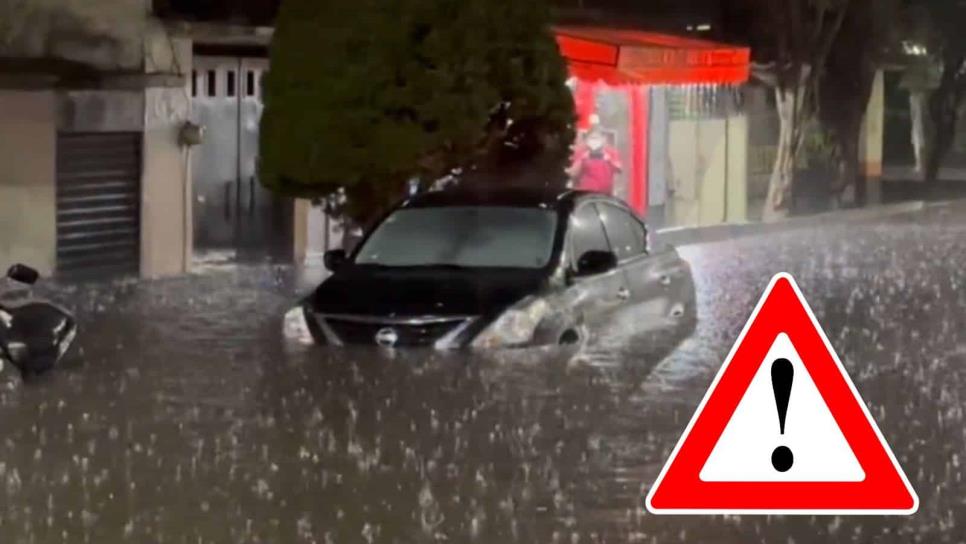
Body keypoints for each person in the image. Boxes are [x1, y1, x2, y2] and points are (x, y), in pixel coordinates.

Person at [569, 128, 622, 195]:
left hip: (606, 192)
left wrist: (609, 159)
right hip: (586, 191)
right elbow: (573, 174)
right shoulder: (581, 151)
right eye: (591, 138)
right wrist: (582, 159)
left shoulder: (611, 152)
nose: (594, 141)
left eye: (597, 138)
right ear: (587, 140)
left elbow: (619, 169)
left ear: (603, 139)